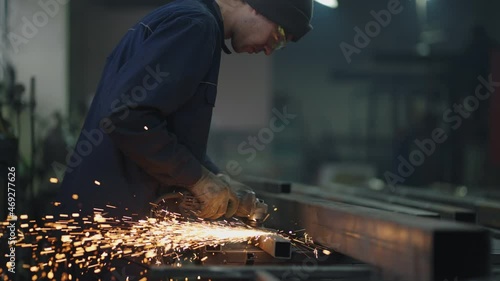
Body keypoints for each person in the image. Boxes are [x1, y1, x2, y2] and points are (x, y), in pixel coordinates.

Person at [58, 0, 314, 220]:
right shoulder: (195, 26)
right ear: (260, 6)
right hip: (108, 216)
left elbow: (168, 131)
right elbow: (127, 116)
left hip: (114, 210)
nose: (270, 49)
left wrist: (219, 179)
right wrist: (197, 180)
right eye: (279, 36)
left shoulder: (194, 23)